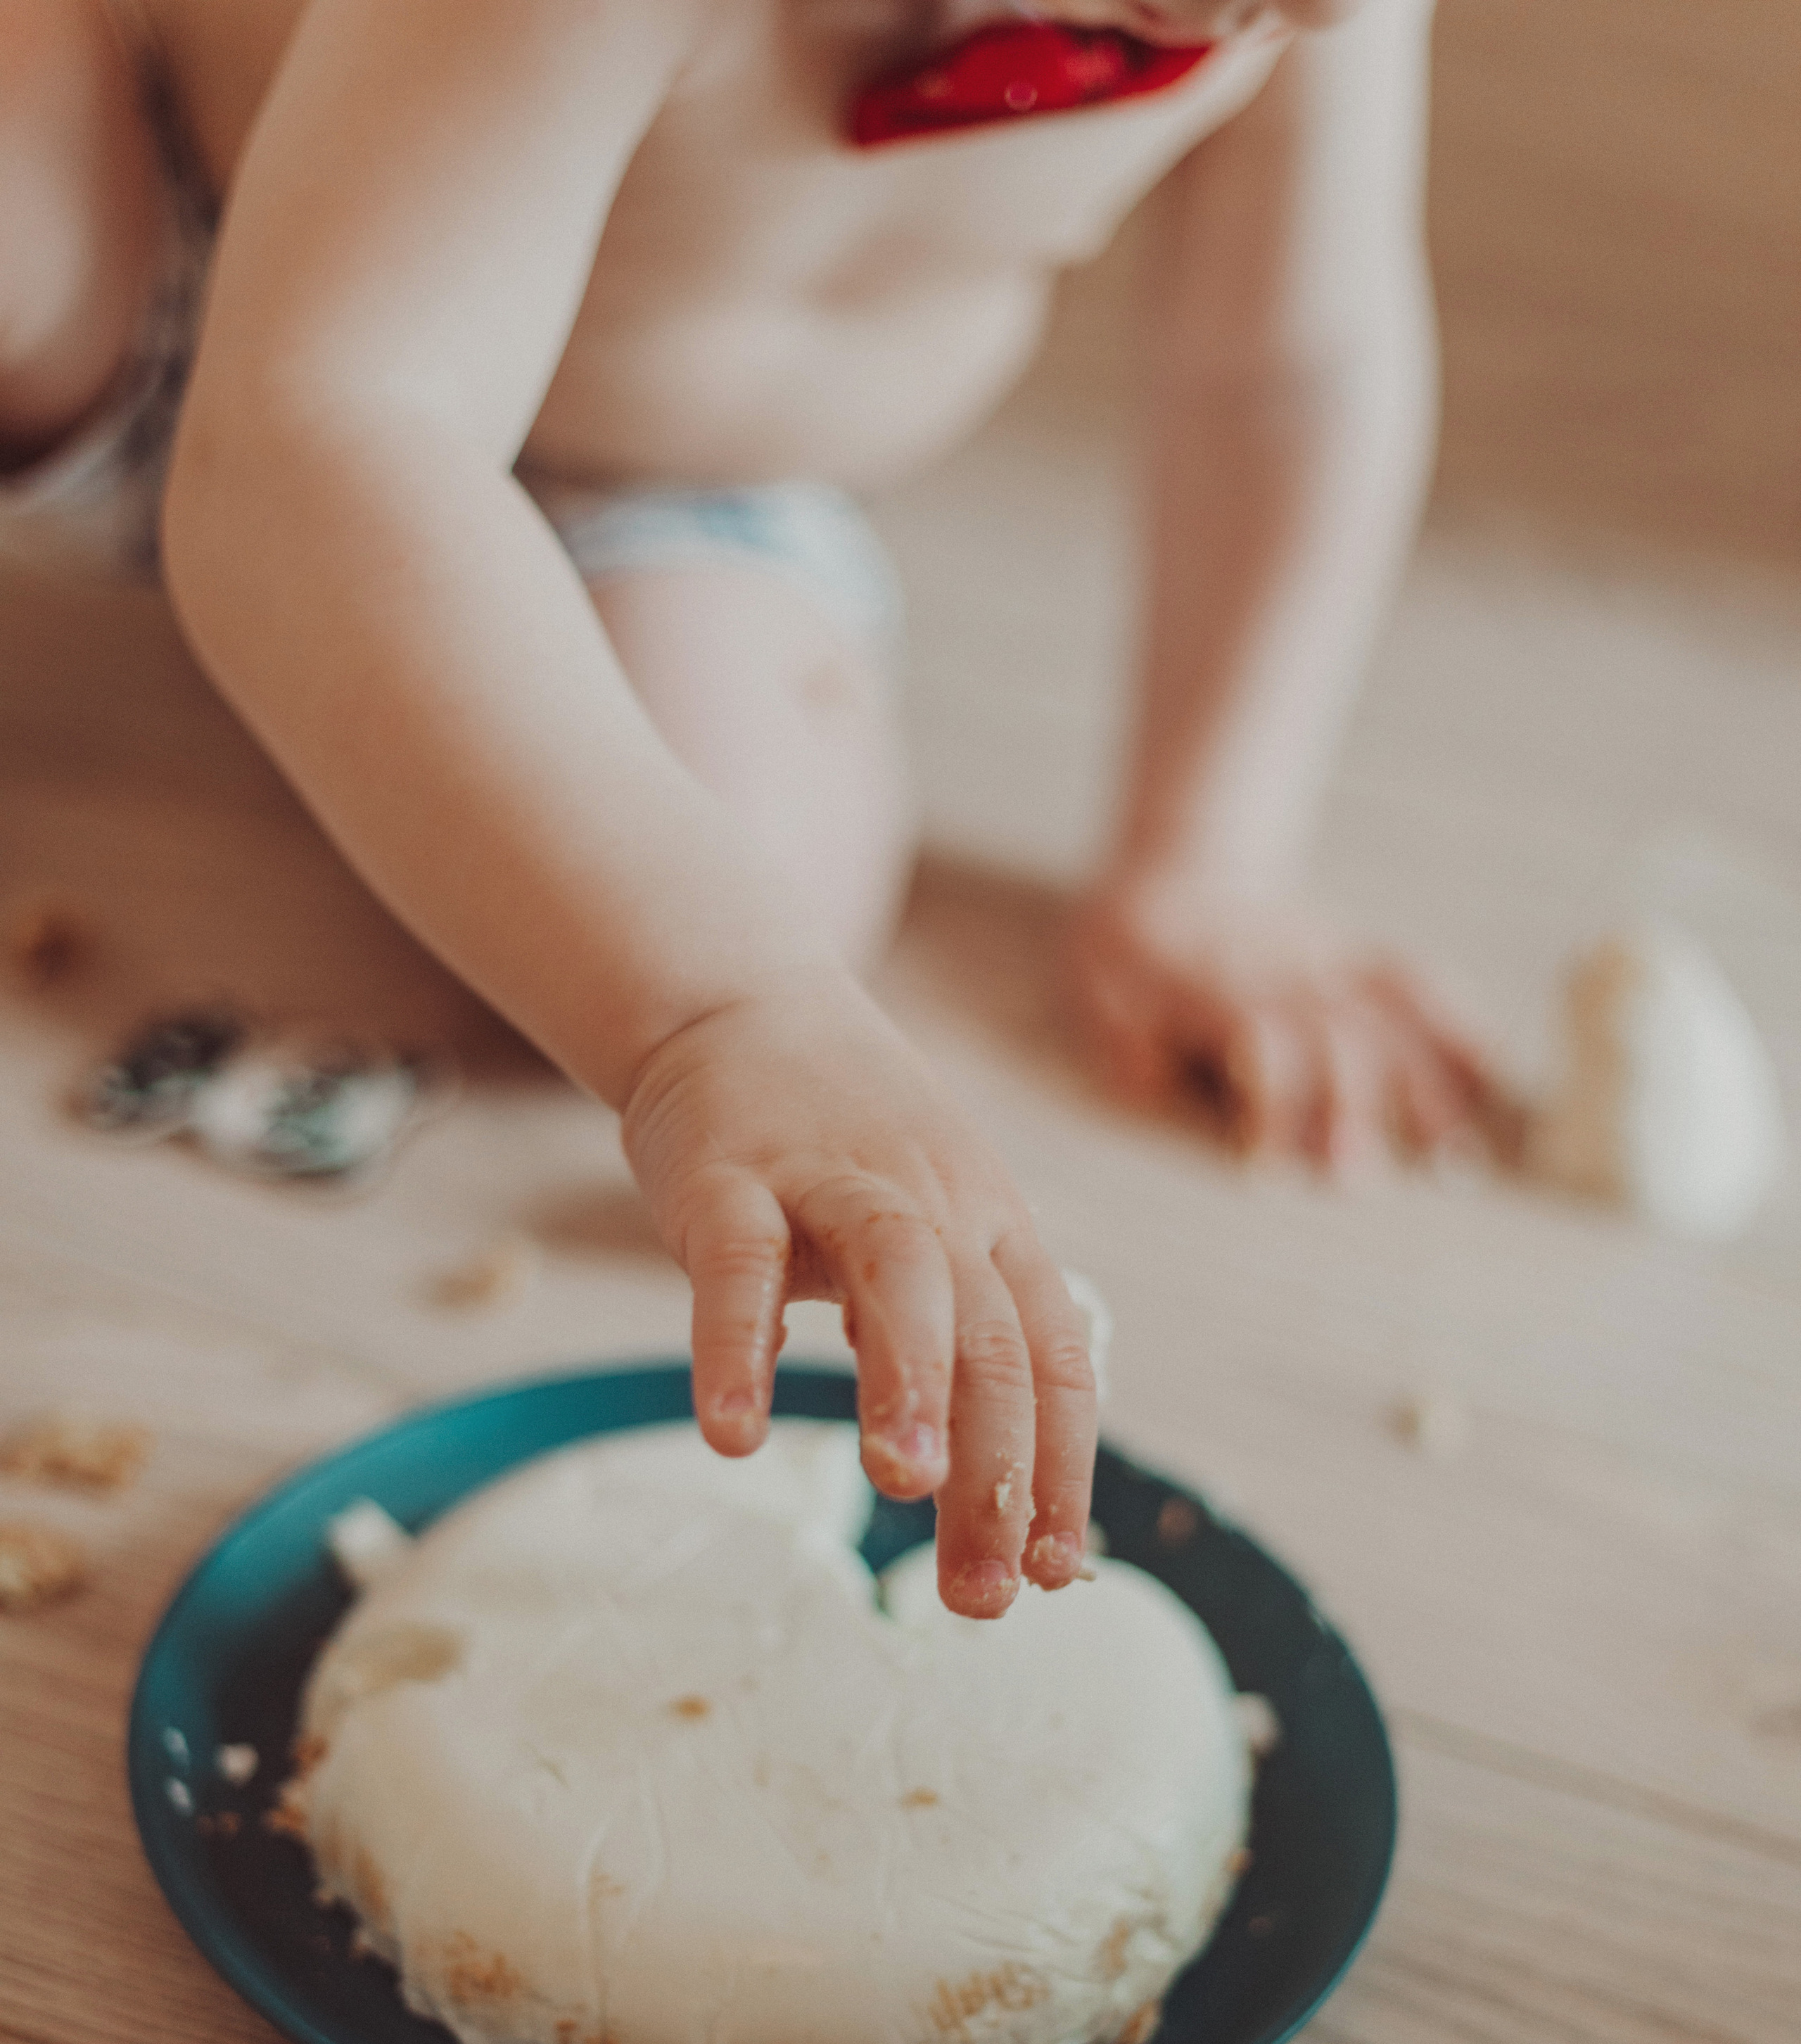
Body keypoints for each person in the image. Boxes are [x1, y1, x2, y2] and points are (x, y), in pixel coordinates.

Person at [0, 0, 1496, 1615]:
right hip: (160, 231)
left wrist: (1209, 852)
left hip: (660, 476)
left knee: (756, 864)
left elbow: (1284, 366)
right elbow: (312, 445)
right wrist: (715, 1011)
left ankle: (387, 662)